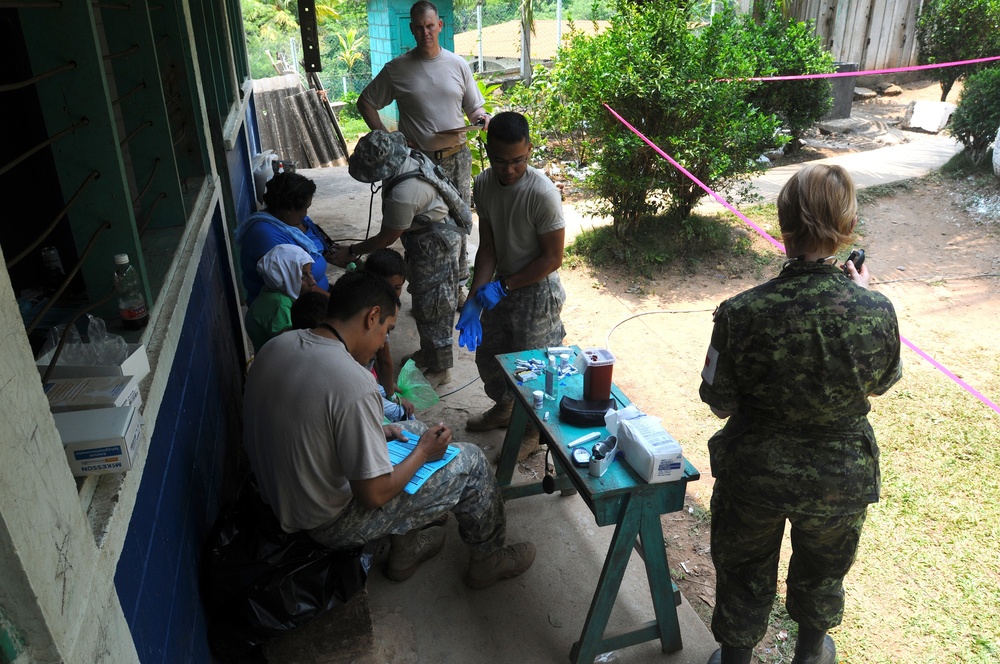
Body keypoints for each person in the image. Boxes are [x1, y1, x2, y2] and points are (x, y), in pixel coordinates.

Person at [698, 164, 902, 664]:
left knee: (744, 571)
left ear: (784, 225)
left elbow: (718, 399)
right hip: (839, 480)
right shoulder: (876, 310)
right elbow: (883, 382)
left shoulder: (741, 312)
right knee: (822, 572)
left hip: (754, 476)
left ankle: (735, 660)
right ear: (845, 229)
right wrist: (864, 293)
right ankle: (810, 655)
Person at [243, 271, 535, 587]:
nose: (385, 342)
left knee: (407, 429)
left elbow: (309, 423)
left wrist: (382, 433)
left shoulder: (278, 346)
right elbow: (373, 495)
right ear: (372, 317)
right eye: (388, 331)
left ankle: (405, 554)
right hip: (327, 523)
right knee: (472, 462)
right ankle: (487, 561)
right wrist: (423, 453)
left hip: (281, 498)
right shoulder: (352, 383)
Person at [357, 0, 489, 305]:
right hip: (418, 164)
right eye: (419, 27)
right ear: (411, 29)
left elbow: (474, 108)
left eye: (430, 26)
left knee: (458, 223)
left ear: (439, 26)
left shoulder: (457, 64)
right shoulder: (397, 69)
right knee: (419, 228)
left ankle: (457, 287)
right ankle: (422, 288)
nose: (425, 32)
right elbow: (366, 102)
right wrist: (389, 139)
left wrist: (482, 119)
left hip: (456, 156)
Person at [455, 111, 567, 462]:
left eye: (518, 160)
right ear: (487, 152)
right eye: (500, 161)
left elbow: (552, 258)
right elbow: (487, 246)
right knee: (490, 359)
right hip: (500, 283)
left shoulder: (542, 194)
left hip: (536, 291)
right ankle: (505, 409)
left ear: (530, 150)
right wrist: (476, 296)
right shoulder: (484, 184)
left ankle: (532, 432)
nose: (509, 170)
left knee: (531, 368)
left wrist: (504, 287)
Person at [333, 129, 470, 389]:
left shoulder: (404, 194)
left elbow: (386, 237)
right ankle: (429, 353)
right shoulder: (408, 157)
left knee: (434, 304)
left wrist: (352, 251)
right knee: (422, 296)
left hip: (435, 243)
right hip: (427, 235)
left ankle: (441, 367)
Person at [236, 172, 331, 303]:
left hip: (316, 296)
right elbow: (296, 287)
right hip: (292, 308)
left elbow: (320, 248)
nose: (306, 213)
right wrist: (336, 304)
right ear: (288, 209)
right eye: (304, 208)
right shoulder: (264, 235)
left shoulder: (293, 220)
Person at [363, 248, 416, 421]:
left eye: (397, 288)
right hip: (356, 385)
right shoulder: (378, 316)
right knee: (406, 415)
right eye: (387, 287)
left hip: (362, 379)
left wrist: (386, 388)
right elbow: (384, 362)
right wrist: (391, 396)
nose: (392, 294)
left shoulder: (359, 300)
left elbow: (377, 358)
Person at [244, 244, 316, 351]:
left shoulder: (270, 292)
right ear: (284, 277)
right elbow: (292, 349)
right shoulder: (279, 304)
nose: (312, 282)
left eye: (310, 273)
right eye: (302, 277)